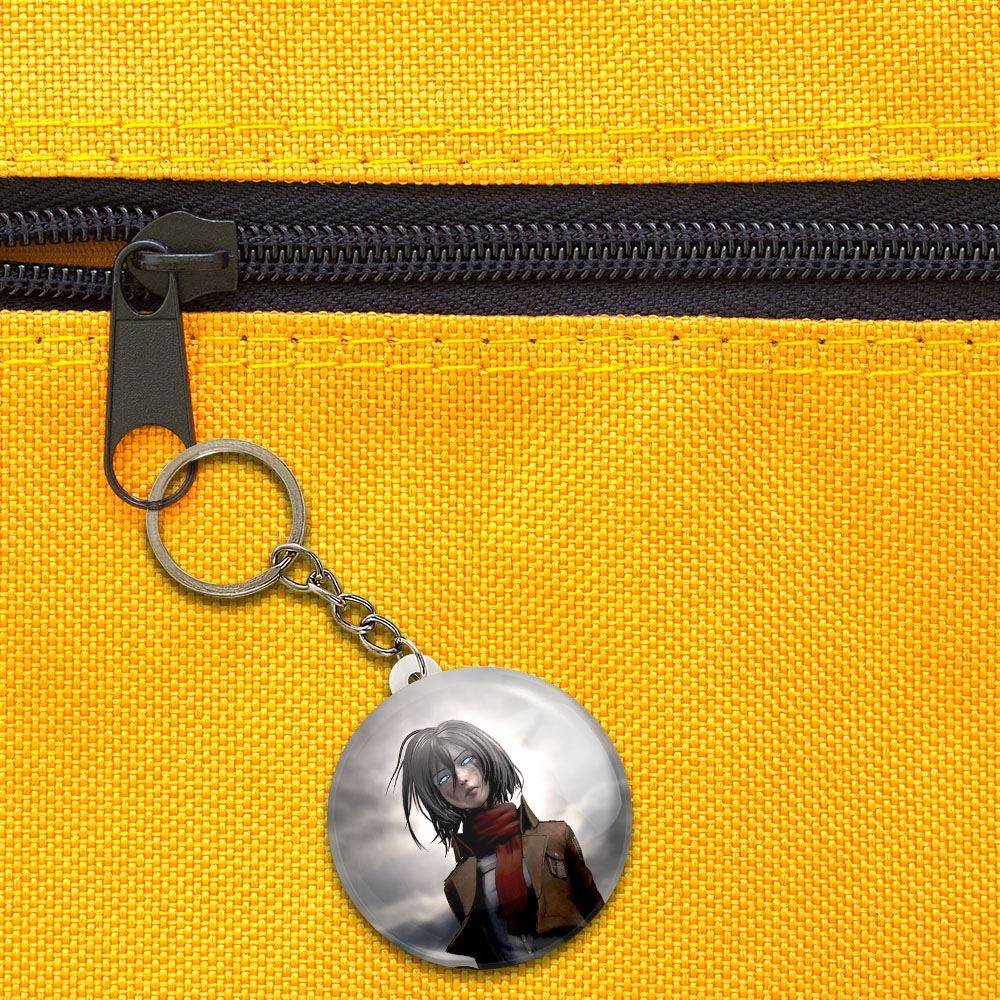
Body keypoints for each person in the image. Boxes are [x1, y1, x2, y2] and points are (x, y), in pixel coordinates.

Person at [390, 720, 604, 967]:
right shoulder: (458, 884)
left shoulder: (555, 836)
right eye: (444, 777)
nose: (461, 778)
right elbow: (486, 960)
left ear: (485, 759)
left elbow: (596, 911)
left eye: (466, 760)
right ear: (437, 795)